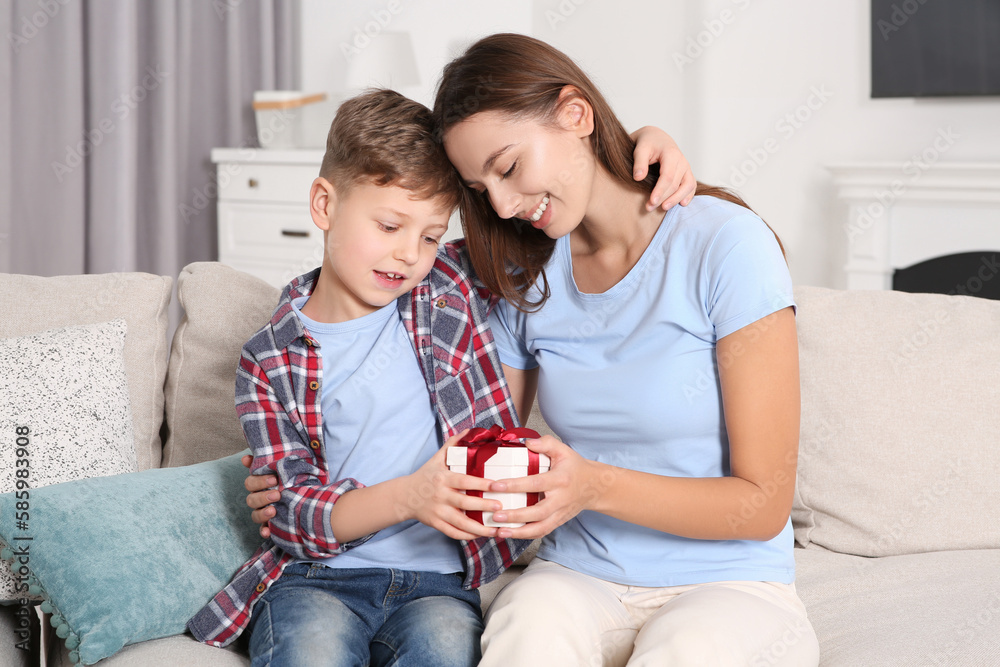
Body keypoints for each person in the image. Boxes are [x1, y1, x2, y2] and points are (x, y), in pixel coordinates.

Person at [193, 88, 694, 667]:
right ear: (325, 205)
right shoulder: (269, 359)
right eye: (388, 225)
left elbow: (552, 215)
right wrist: (411, 496)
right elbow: (291, 515)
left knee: (446, 653)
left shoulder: (448, 288)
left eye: (430, 235)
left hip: (438, 583)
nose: (409, 254)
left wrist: (639, 149)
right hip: (316, 580)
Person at [429, 34, 820, 666]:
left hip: (731, 584)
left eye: (507, 168)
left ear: (575, 114)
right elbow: (483, 445)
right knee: (525, 625)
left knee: (686, 649)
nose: (501, 203)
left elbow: (762, 502)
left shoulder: (725, 246)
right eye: (480, 189)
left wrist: (591, 485)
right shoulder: (525, 275)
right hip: (579, 576)